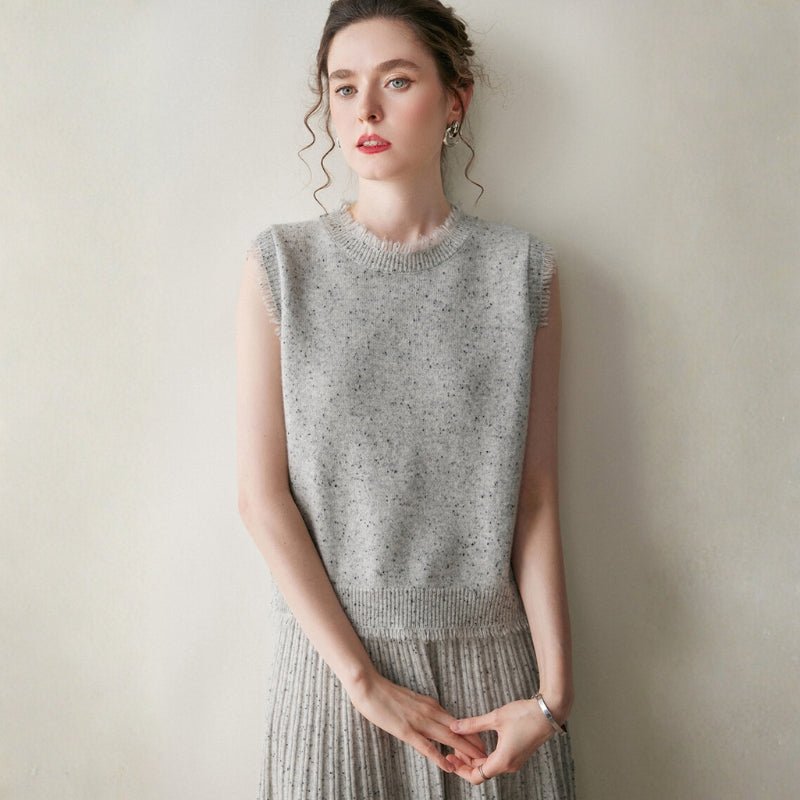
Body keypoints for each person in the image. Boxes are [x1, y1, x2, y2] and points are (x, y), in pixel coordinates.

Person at [236, 1, 577, 797]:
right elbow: (260, 498)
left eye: (396, 81)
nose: (367, 110)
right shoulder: (282, 266)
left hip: (493, 690)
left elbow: (533, 496)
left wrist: (553, 699)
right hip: (333, 682)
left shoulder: (522, 272)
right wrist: (363, 684)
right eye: (344, 87)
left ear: (455, 98)